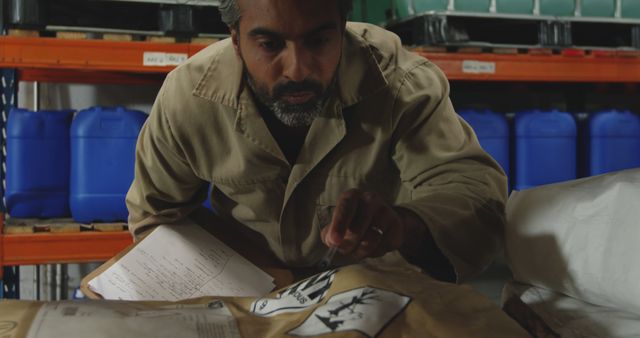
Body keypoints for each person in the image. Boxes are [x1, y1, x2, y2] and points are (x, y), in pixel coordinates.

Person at [125, 0, 507, 283]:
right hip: (250, 288)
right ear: (236, 41)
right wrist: (261, 277)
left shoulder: (402, 85)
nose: (297, 69)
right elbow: (156, 215)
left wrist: (405, 227)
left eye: (319, 41)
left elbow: (477, 195)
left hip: (375, 293)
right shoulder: (189, 97)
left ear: (343, 28)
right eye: (270, 45)